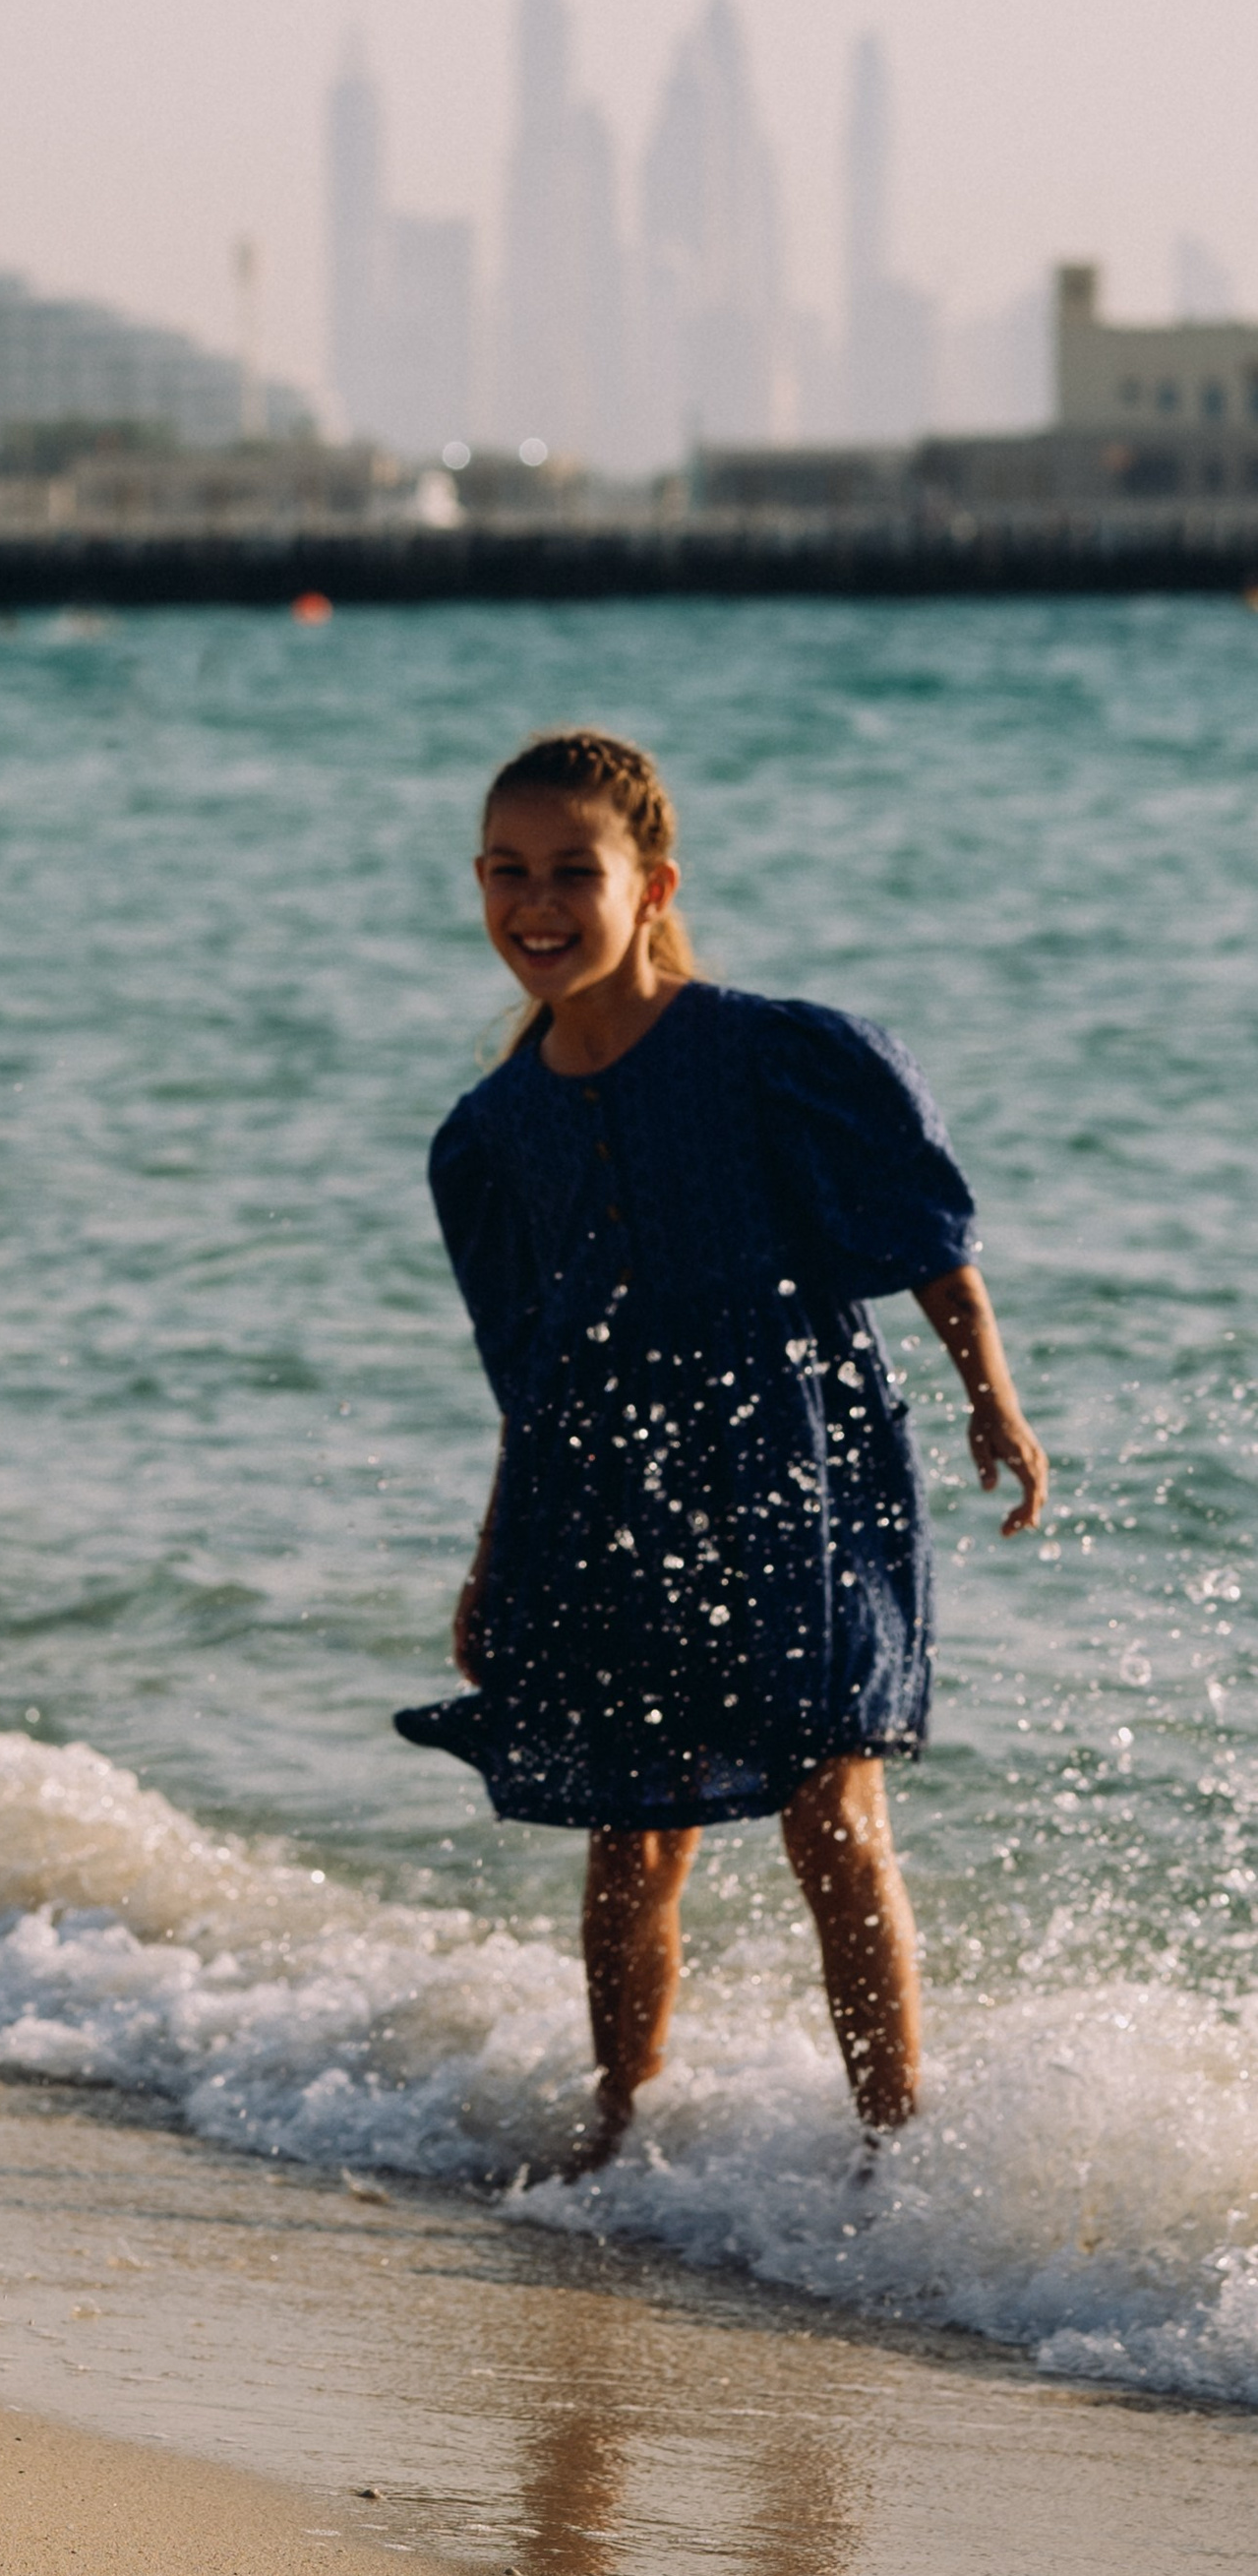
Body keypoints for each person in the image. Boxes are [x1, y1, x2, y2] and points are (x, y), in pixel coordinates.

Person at [395, 731, 1046, 2171]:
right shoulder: (493, 1135)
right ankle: (618, 2134)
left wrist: (989, 1399)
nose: (538, 904)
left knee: (836, 1820)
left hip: (798, 1473)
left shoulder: (767, 1052)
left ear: (652, 884)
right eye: (509, 874)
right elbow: (535, 1379)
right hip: (612, 1493)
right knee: (632, 1834)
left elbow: (927, 1236)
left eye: (575, 872)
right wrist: (494, 1562)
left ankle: (898, 2158)